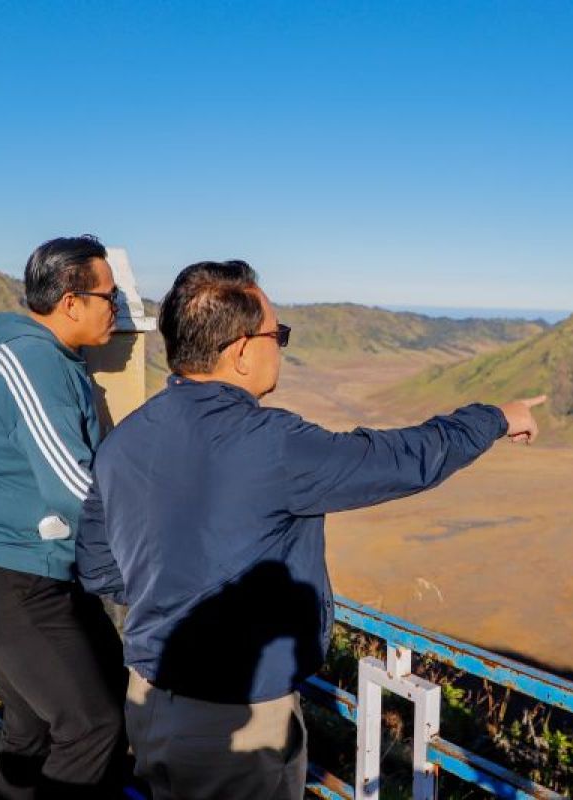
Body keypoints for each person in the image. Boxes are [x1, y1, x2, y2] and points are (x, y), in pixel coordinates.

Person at [76, 260, 545, 800]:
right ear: (243, 350)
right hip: (238, 718)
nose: (281, 348)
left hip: (149, 699)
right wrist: (494, 418)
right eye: (280, 335)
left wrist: (170, 595)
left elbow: (98, 567)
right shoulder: (270, 443)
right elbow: (399, 460)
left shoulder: (123, 441)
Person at [0, 235, 129, 799]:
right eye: (109, 297)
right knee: (92, 725)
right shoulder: (32, 358)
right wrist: (148, 539)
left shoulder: (59, 360)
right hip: (9, 575)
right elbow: (70, 481)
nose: (116, 309)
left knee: (31, 729)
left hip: (26, 568)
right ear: (72, 301)